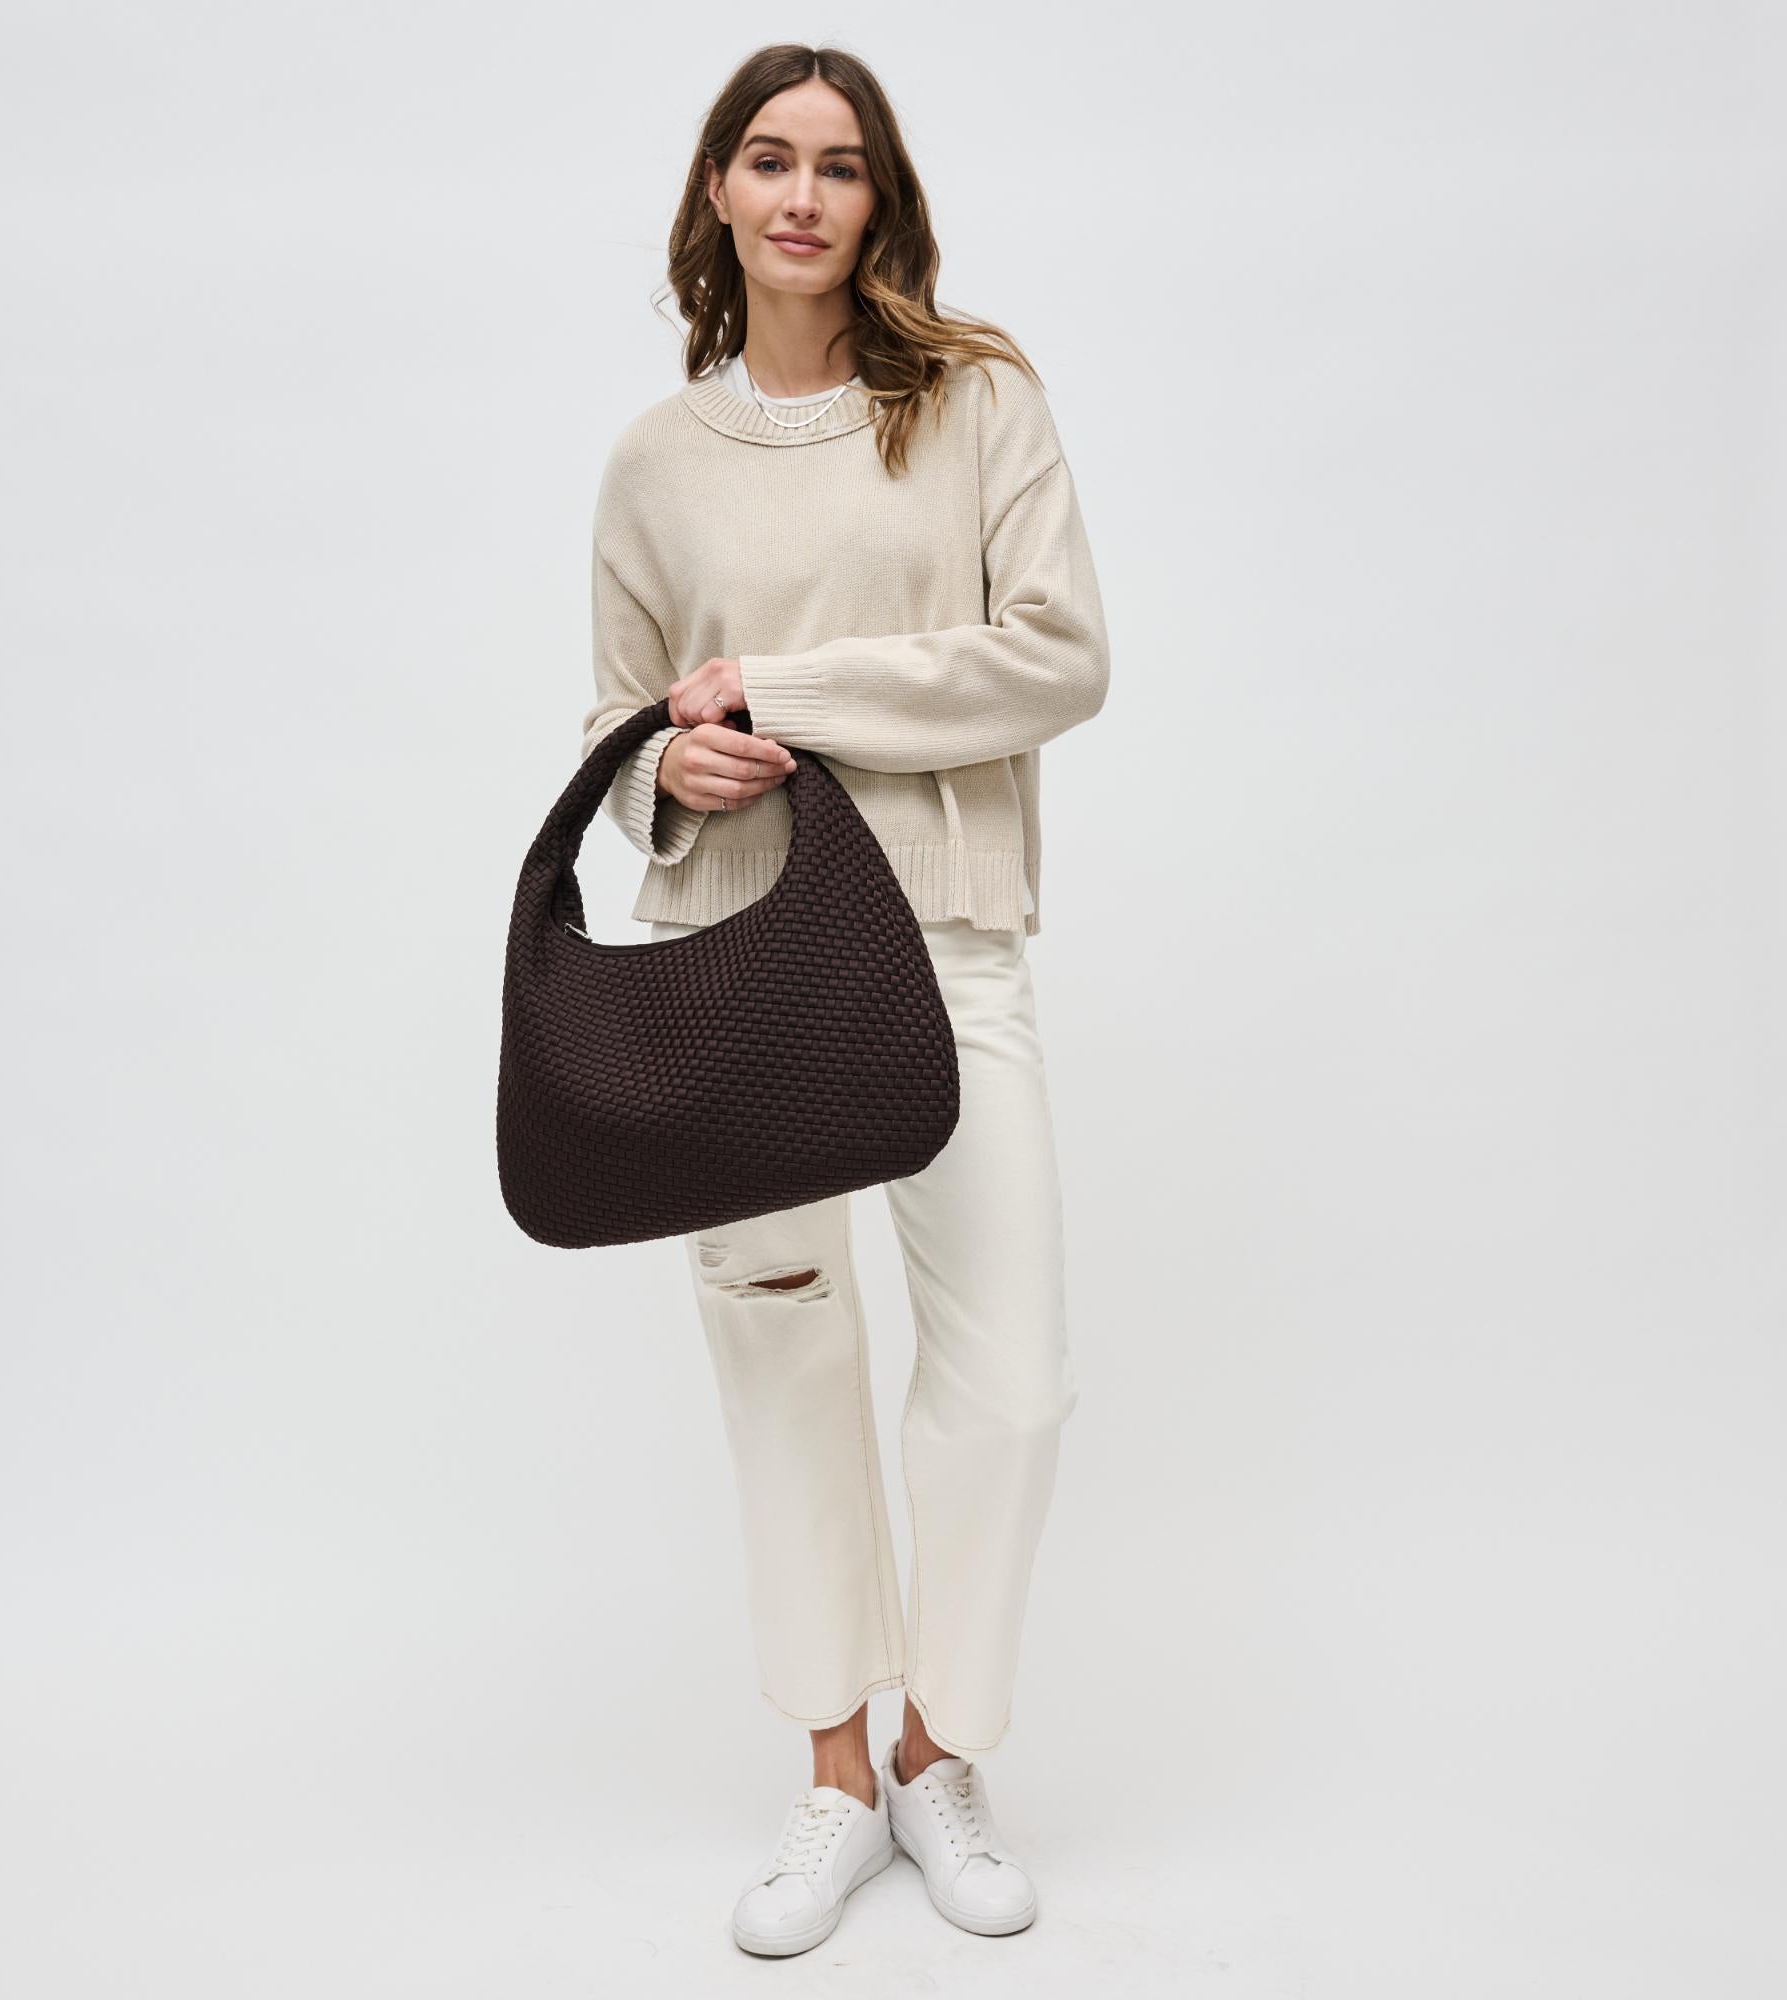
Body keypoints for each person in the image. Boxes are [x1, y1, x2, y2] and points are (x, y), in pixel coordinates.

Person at [577, 43, 1111, 1958]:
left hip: (946, 935)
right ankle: (833, 1777)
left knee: (1012, 1378)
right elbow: (620, 717)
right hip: (737, 946)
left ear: (882, 198)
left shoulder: (974, 403)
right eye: (768, 158)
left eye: (841, 164)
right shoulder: (655, 460)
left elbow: (1060, 655)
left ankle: (938, 1751)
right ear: (718, 193)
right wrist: (668, 765)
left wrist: (782, 695)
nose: (803, 195)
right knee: (781, 1348)